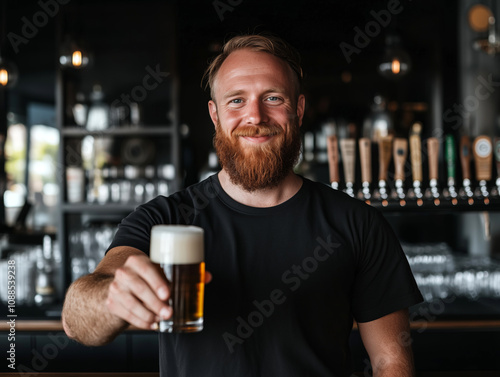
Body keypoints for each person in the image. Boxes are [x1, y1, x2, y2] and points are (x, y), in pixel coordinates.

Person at [62, 33, 423, 377]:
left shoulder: (357, 223)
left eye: (273, 98)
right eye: (236, 100)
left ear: (298, 109)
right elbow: (76, 321)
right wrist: (113, 296)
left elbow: (390, 360)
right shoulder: (164, 219)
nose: (255, 117)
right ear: (215, 114)